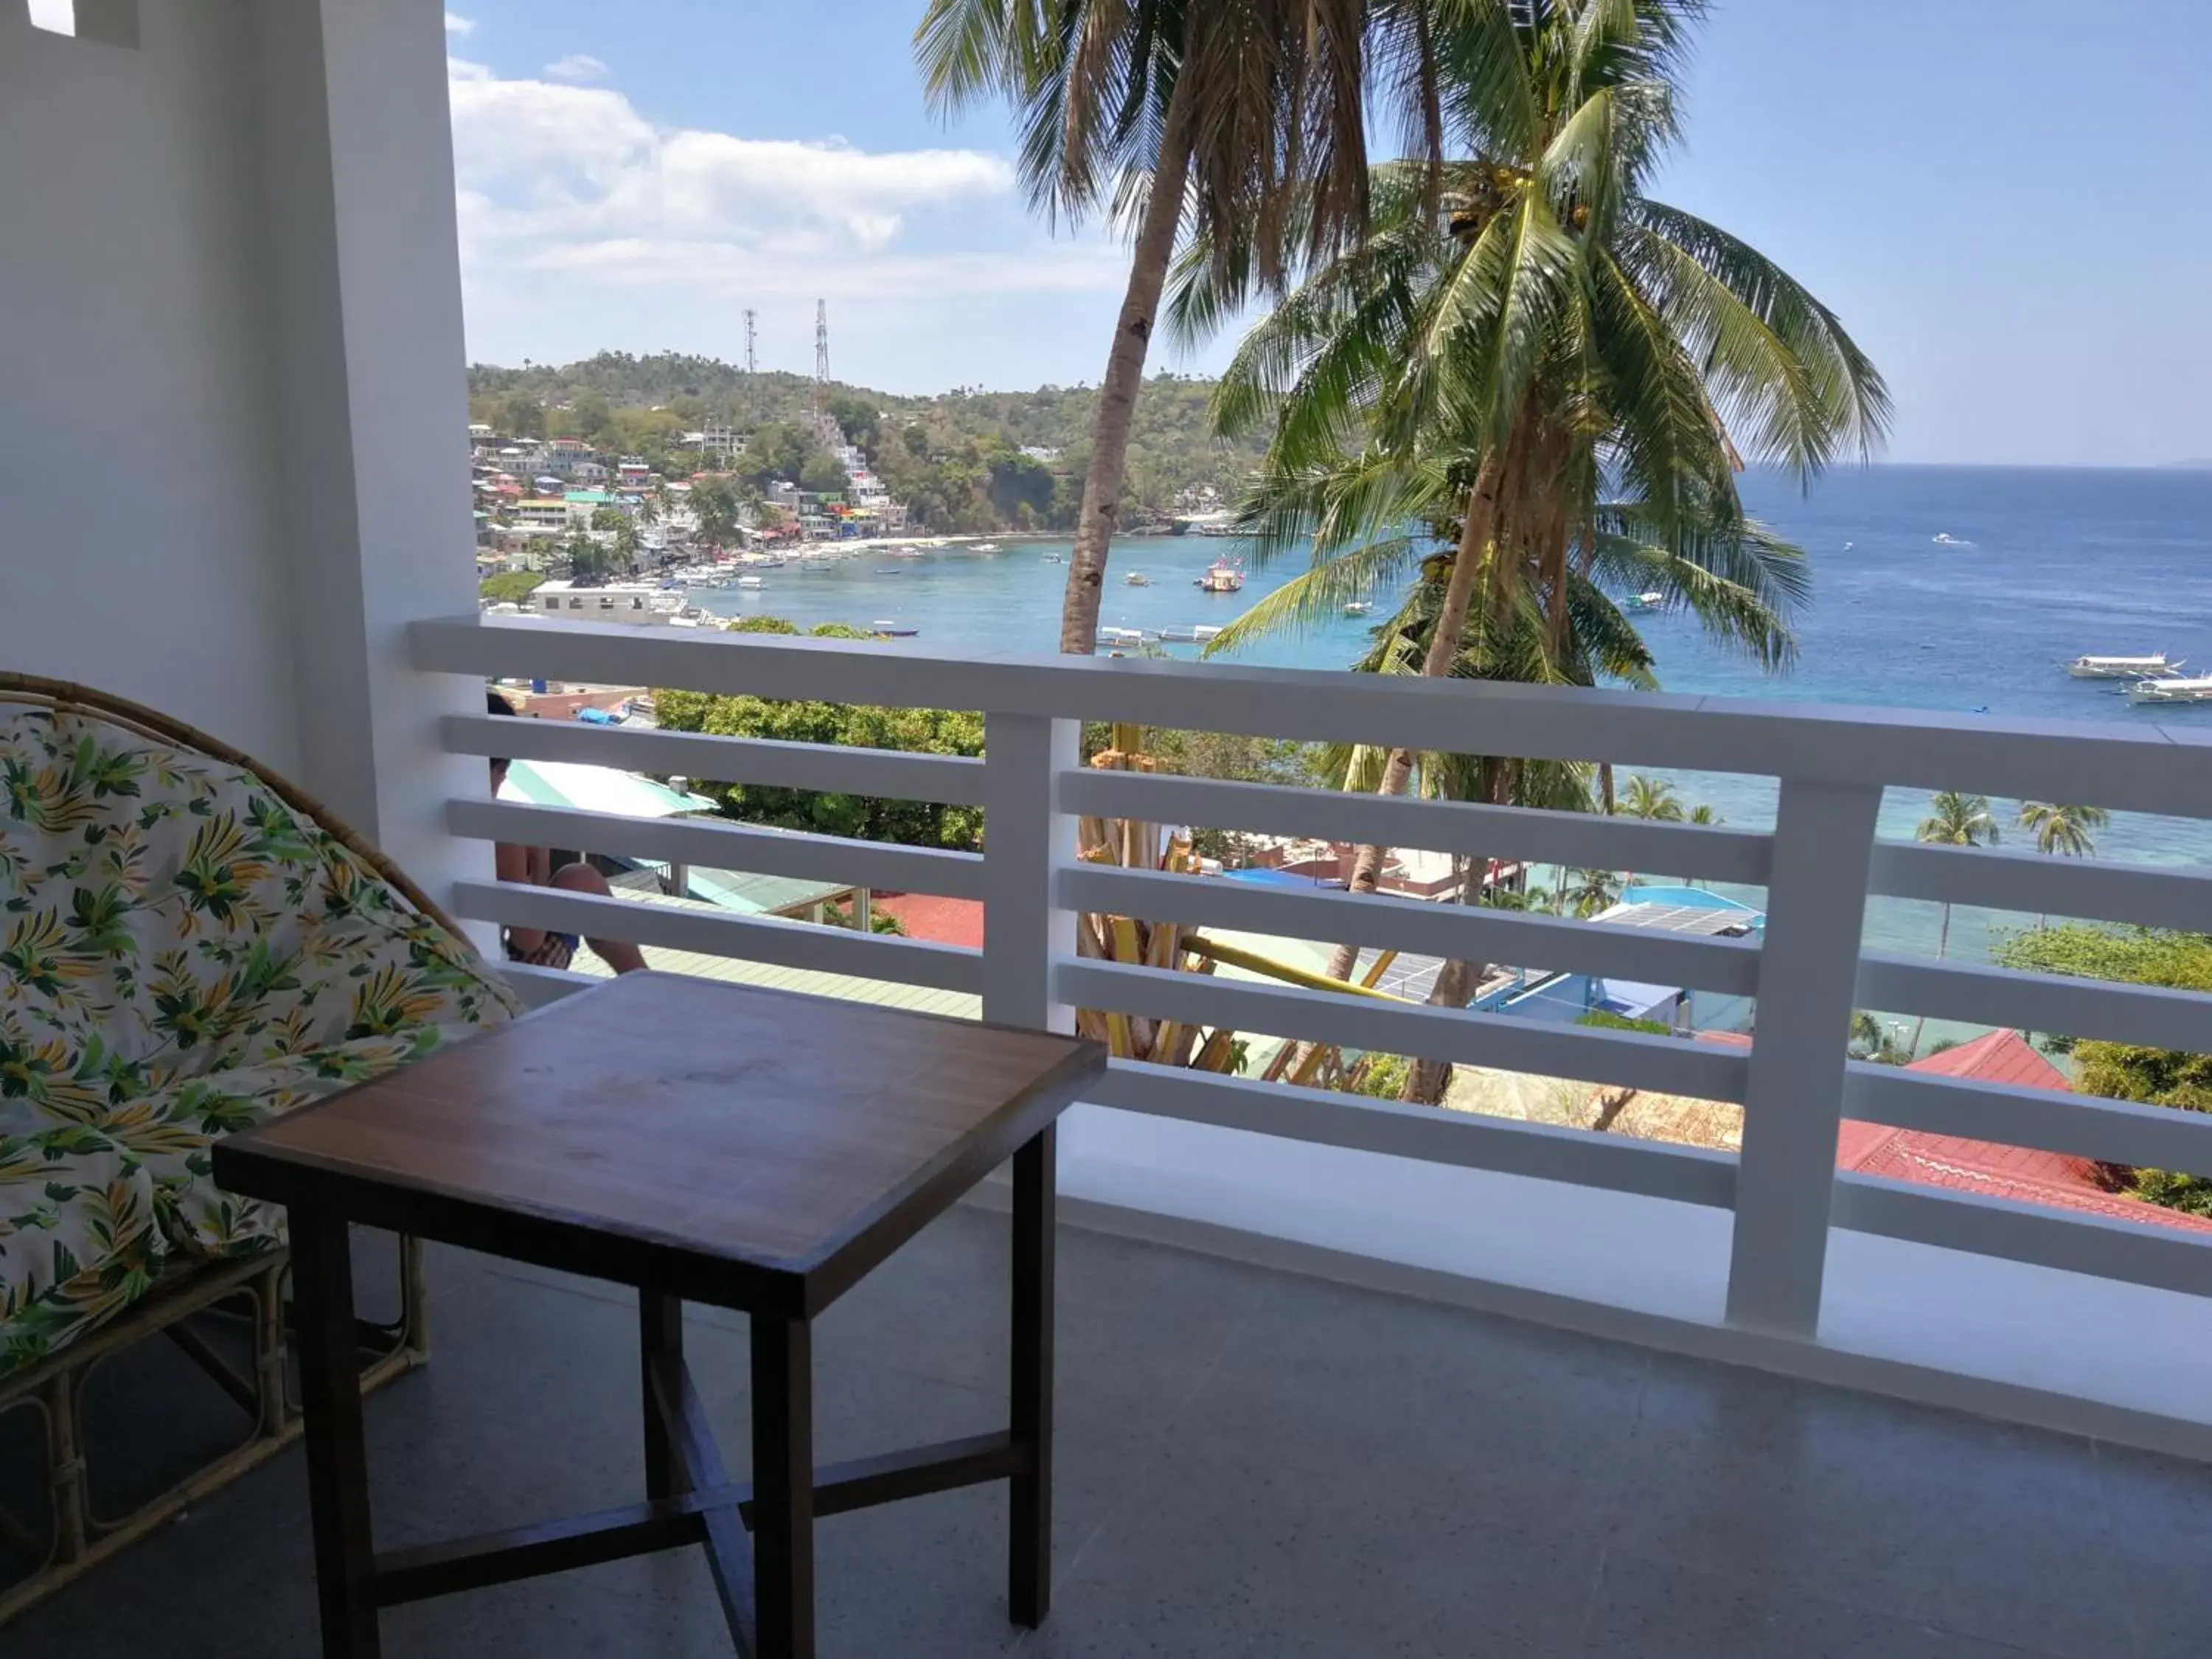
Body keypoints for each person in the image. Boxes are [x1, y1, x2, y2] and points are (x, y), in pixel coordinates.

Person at [484, 691, 647, 974]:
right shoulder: (499, 830)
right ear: (497, 767)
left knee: (579, 877)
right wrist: (540, 858)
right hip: (497, 977)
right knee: (583, 880)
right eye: (504, 768)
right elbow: (528, 941)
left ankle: (644, 981)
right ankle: (643, 982)